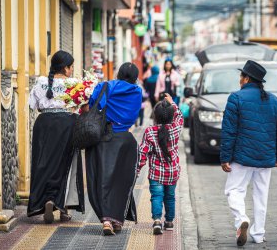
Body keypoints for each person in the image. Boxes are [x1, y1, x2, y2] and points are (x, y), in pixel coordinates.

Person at [220, 60, 277, 247]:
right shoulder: (274, 100)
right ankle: (258, 234)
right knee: (261, 195)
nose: (239, 79)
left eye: (241, 76)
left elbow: (228, 131)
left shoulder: (236, 98)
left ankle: (241, 218)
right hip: (266, 157)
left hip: (241, 157)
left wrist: (225, 157)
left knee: (234, 190)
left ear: (246, 78)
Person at [28, 50, 85, 223]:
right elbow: (82, 106)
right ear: (66, 68)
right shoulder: (73, 83)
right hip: (66, 125)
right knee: (65, 165)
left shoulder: (41, 82)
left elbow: (33, 106)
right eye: (71, 67)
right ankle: (62, 208)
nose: (72, 70)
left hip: (43, 124)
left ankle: (46, 200)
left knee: (43, 164)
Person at [85, 62, 142, 236]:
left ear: (119, 73)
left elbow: (94, 104)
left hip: (104, 138)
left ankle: (107, 220)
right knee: (122, 182)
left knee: (102, 178)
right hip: (126, 140)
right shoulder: (137, 91)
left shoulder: (106, 86)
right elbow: (135, 113)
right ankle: (116, 220)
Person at [137, 93, 184, 235]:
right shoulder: (175, 129)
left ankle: (157, 221)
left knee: (156, 196)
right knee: (170, 196)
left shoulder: (150, 131)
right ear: (171, 116)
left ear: (155, 116)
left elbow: (142, 152)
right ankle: (169, 222)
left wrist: (138, 168)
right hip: (172, 172)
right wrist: (173, 104)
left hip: (156, 173)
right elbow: (180, 117)